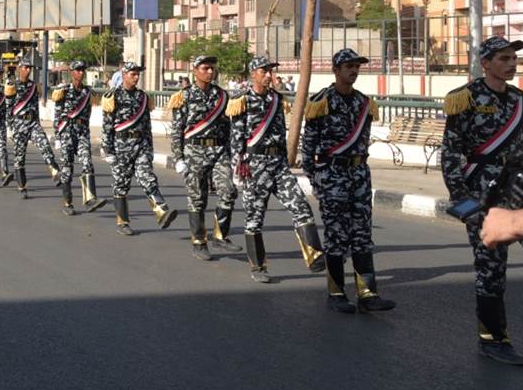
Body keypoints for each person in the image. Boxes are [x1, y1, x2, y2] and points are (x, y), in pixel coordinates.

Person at [440, 36, 523, 366]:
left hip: (522, 192)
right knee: (491, 269)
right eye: (503, 58)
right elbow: (451, 153)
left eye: (513, 58)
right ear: (485, 63)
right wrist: (462, 201)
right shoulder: (465, 99)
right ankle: (493, 340)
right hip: (483, 195)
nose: (511, 64)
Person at [299, 48, 395, 313]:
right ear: (336, 70)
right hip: (332, 175)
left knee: (363, 236)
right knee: (336, 237)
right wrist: (317, 180)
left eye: (357, 67)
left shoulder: (363, 102)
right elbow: (309, 147)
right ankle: (336, 293)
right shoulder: (321, 101)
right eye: (349, 66)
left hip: (359, 176)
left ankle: (368, 294)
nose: (354, 71)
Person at [227, 56, 326, 284]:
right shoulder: (242, 100)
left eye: (270, 71)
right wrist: (237, 168)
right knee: (254, 218)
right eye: (264, 71)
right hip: (255, 165)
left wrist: (285, 160)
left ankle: (314, 254)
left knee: (301, 206)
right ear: (253, 74)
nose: (268, 75)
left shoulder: (276, 99)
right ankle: (258, 266)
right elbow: (236, 138)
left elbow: (281, 133)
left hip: (278, 165)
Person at [168, 55, 239, 261]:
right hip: (195, 152)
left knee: (228, 191)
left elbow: (227, 126)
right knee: (198, 198)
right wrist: (178, 158)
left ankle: (220, 236)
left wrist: (232, 153)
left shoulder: (222, 96)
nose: (210, 72)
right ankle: (199, 242)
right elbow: (177, 130)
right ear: (195, 70)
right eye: (205, 68)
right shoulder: (184, 96)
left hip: (218, 151)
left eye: (212, 68)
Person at [100, 61, 178, 235]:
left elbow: (146, 125)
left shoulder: (143, 97)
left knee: (147, 177)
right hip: (121, 146)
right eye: (133, 74)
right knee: (121, 184)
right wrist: (108, 150)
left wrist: (149, 148)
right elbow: (107, 126)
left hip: (141, 145)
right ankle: (123, 222)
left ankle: (162, 211)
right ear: (124, 74)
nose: (136, 78)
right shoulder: (112, 96)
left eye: (138, 74)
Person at [51, 61, 104, 212]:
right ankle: (68, 203)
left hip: (82, 132)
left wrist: (86, 130)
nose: (81, 73)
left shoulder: (88, 92)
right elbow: (57, 114)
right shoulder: (63, 90)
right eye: (78, 70)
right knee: (67, 168)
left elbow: (88, 113)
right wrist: (58, 136)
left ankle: (90, 199)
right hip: (67, 131)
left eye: (82, 70)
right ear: (71, 72)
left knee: (87, 162)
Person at [5, 59, 59, 200]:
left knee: (44, 144)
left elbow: (35, 106)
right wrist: (10, 127)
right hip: (19, 123)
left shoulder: (33, 86)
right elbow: (8, 108)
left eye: (30, 68)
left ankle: (54, 170)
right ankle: (22, 186)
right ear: (20, 68)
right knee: (19, 157)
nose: (28, 70)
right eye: (26, 67)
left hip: (33, 122)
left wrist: (38, 122)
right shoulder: (12, 85)